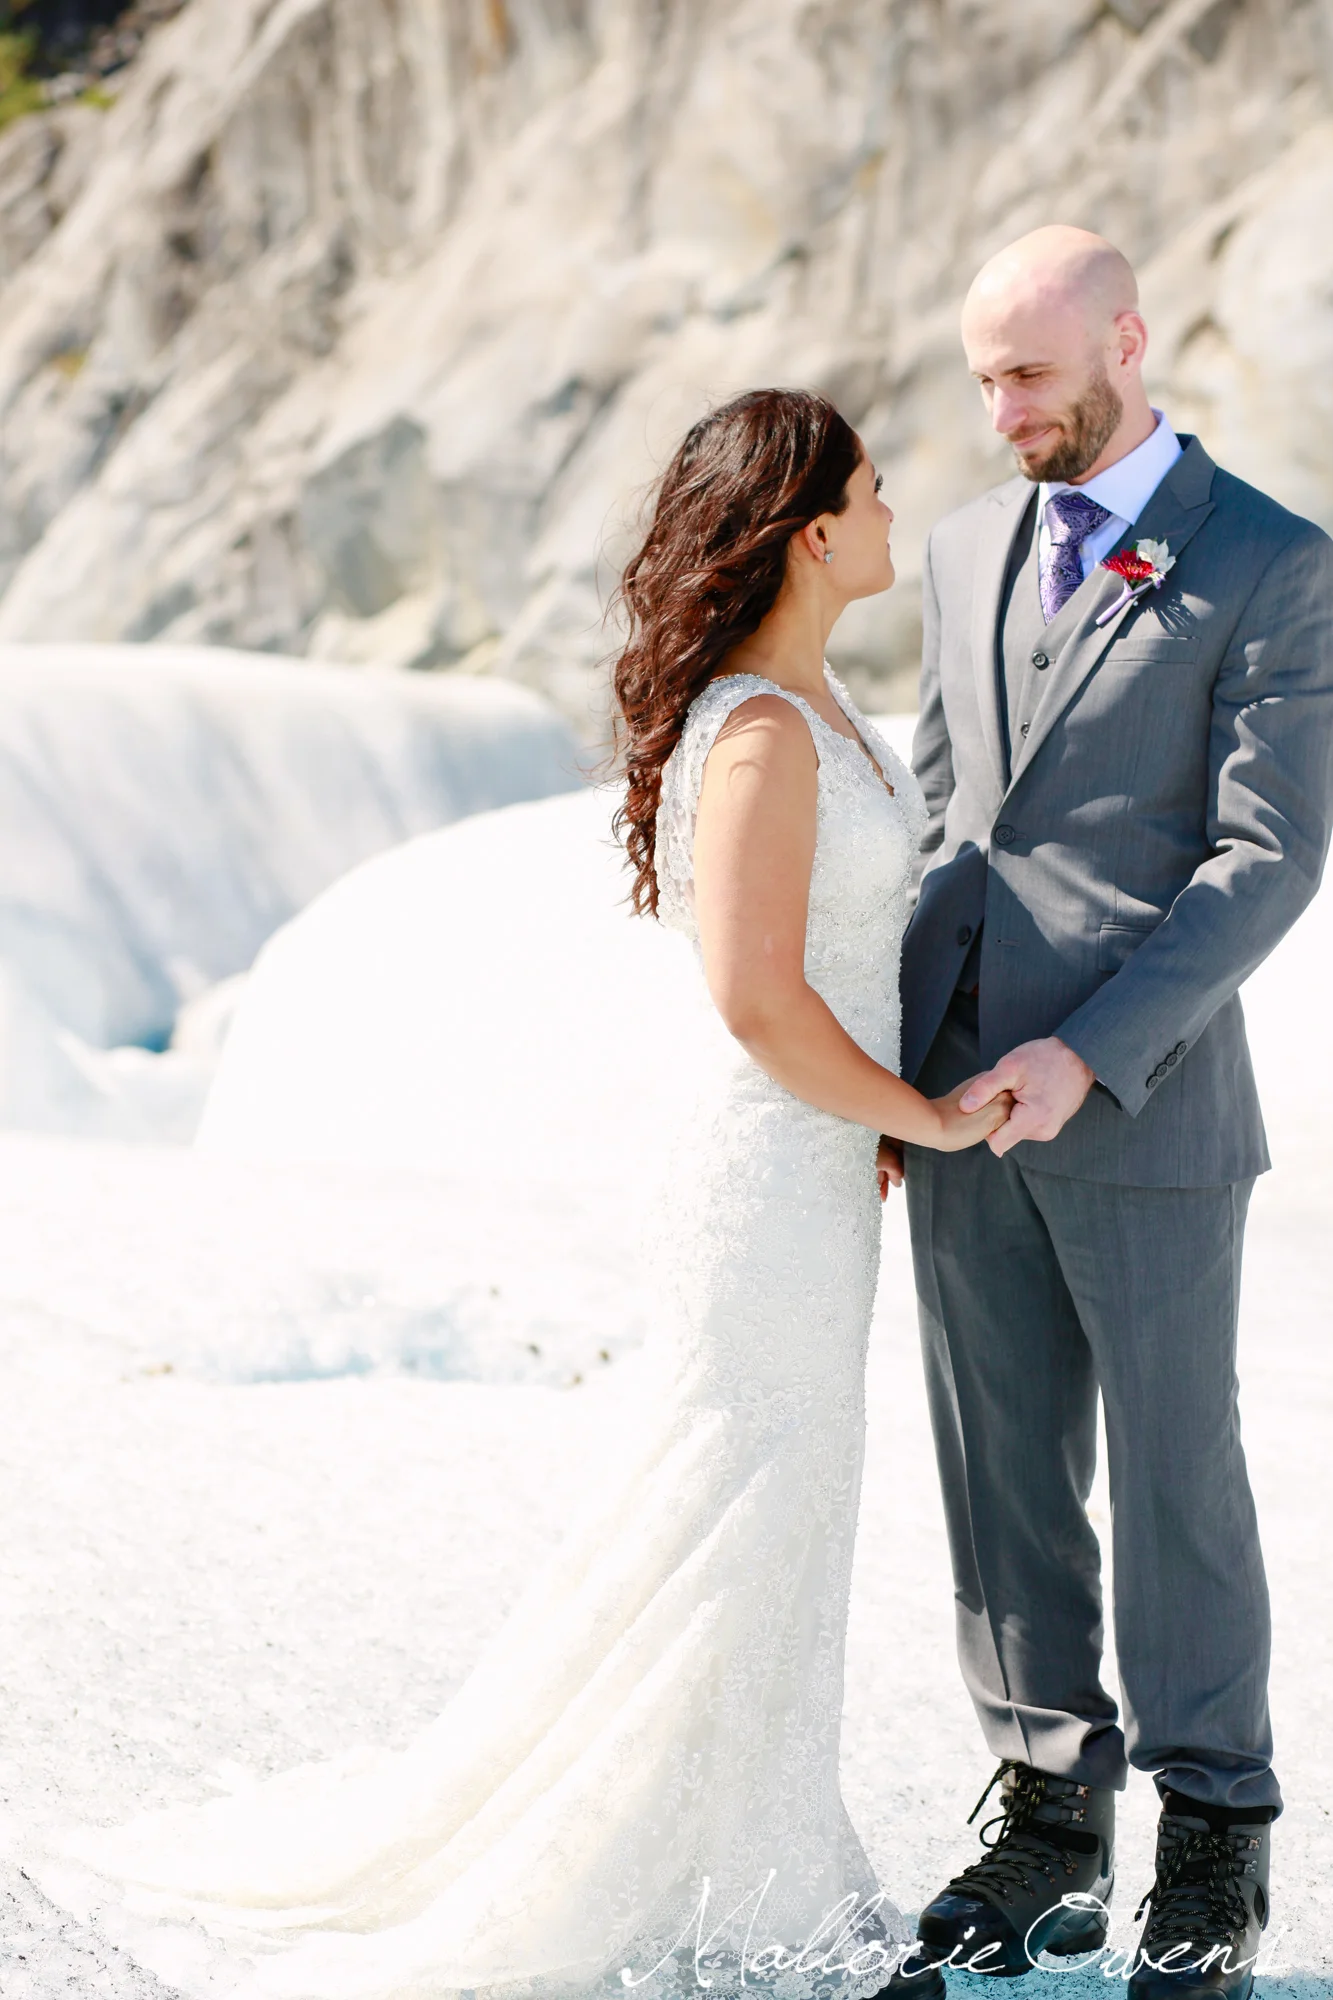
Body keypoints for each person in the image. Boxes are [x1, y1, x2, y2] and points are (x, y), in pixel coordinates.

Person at [40, 389, 1005, 2000]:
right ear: (814, 530)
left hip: (817, 1168)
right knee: (740, 1503)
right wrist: (925, 1116)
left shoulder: (811, 704)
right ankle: (711, 1874)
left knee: (781, 1505)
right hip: (768, 1175)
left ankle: (751, 1847)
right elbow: (757, 998)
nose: (901, 515)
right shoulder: (764, 734)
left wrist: (885, 1119)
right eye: (878, 492)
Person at [893, 225, 1333, 1999]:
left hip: (1143, 1098)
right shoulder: (956, 550)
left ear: (1128, 343)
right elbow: (944, 827)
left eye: (1030, 378)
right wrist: (901, 1081)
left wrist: (1096, 1046)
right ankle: (1047, 1816)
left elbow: (1269, 854)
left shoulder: (1272, 566)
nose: (1001, 413)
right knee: (1001, 1475)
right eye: (982, 379)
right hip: (959, 1102)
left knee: (1172, 1478)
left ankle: (1213, 1838)